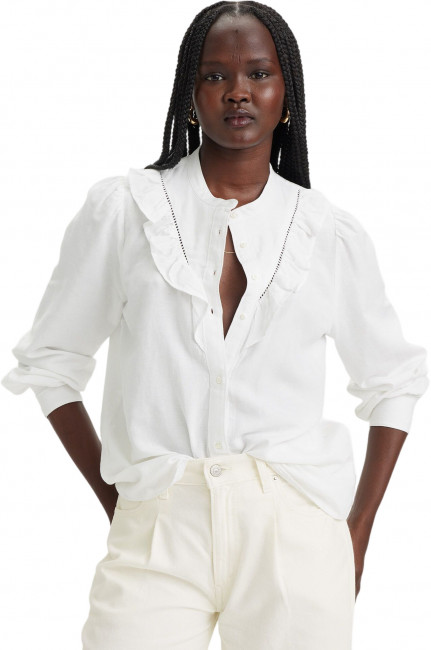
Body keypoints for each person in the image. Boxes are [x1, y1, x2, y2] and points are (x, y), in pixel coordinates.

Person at [2, 1, 429, 649]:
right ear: (188, 95)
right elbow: (51, 363)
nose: (237, 91)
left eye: (258, 73)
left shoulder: (329, 233)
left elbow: (393, 381)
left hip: (295, 530)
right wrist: (121, 500)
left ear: (286, 94)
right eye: (214, 75)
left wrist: (357, 532)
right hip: (158, 527)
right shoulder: (125, 212)